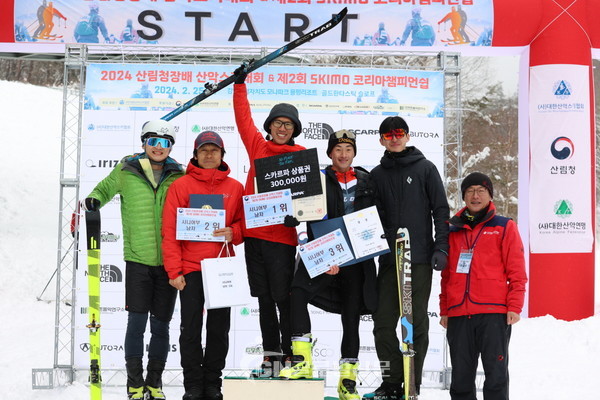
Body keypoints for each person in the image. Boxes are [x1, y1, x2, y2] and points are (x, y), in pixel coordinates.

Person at [83, 120, 184, 400]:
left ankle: (155, 383)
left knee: (161, 326)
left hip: (169, 263)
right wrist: (93, 200)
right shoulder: (127, 169)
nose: (158, 148)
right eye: (153, 141)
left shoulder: (179, 174)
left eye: (165, 143)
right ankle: (135, 385)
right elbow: (102, 190)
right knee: (136, 324)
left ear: (171, 147)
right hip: (138, 261)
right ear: (143, 143)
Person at [279, 130, 377, 400]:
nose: (343, 154)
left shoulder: (369, 180)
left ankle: (348, 381)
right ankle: (302, 359)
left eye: (348, 149)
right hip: (325, 253)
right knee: (297, 293)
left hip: (358, 260)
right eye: (338, 149)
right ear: (330, 153)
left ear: (354, 153)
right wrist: (291, 217)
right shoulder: (318, 179)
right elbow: (302, 212)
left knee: (351, 316)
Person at [365, 116, 449, 400]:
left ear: (408, 136)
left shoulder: (426, 169)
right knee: (384, 323)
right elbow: (371, 219)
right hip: (390, 260)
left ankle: (413, 383)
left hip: (420, 259)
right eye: (388, 135)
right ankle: (391, 382)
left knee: (416, 322)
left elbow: (440, 210)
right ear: (381, 140)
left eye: (399, 133)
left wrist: (441, 247)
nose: (394, 138)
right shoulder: (376, 174)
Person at [233, 65, 306, 377]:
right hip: (254, 238)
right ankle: (271, 358)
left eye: (288, 125)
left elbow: (308, 200)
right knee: (263, 299)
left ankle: (291, 356)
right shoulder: (258, 147)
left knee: (283, 299)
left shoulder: (301, 154)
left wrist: (297, 217)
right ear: (271, 125)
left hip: (282, 239)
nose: (283, 128)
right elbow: (243, 119)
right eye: (278, 123)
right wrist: (239, 86)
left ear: (294, 129)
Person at [161, 131, 244, 400]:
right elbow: (170, 231)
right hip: (191, 268)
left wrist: (235, 232)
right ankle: (193, 385)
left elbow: (245, 225)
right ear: (195, 155)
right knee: (191, 328)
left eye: (214, 150)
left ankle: (213, 384)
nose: (209, 155)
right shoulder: (181, 186)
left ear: (222, 155)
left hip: (221, 269)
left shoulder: (235, 187)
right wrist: (174, 271)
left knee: (219, 330)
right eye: (204, 150)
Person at [440, 172, 527, 400]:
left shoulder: (504, 226)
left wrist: (514, 306)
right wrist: (445, 310)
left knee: (496, 376)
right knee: (460, 379)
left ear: (490, 195)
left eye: (481, 190)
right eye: (470, 191)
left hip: (493, 313)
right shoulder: (452, 230)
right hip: (459, 313)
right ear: (463, 196)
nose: (475, 196)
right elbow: (447, 276)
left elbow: (517, 271)